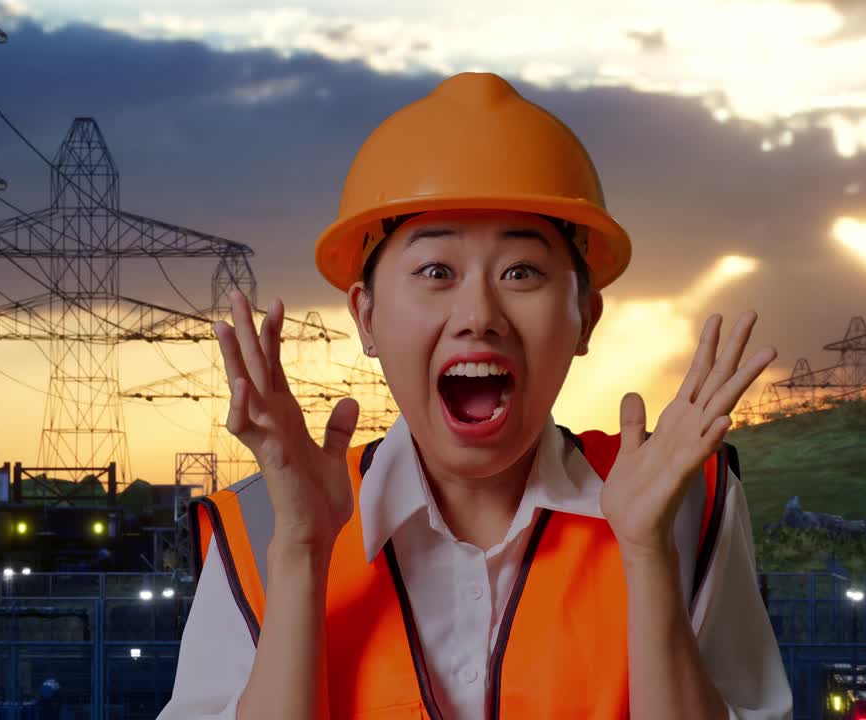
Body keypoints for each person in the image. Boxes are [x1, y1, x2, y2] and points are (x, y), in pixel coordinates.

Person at [157, 71, 793, 720]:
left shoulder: (684, 504)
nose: (478, 314)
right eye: (436, 271)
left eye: (522, 271)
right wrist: (299, 551)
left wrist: (648, 556)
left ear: (586, 317)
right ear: (366, 316)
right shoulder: (265, 525)